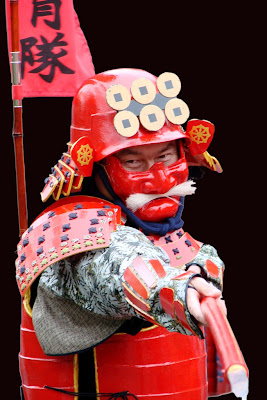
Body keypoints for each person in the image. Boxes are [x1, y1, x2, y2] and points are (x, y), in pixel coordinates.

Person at [16, 68, 230, 400]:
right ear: (94, 169)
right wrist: (174, 289)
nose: (159, 179)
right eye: (133, 162)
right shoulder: (71, 237)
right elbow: (115, 264)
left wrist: (202, 271)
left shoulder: (182, 243)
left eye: (167, 156)